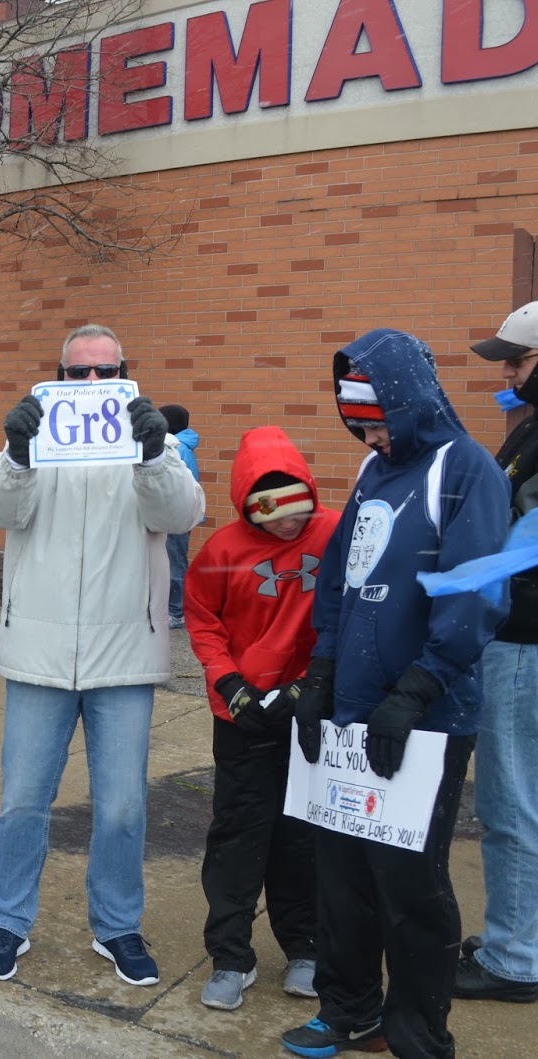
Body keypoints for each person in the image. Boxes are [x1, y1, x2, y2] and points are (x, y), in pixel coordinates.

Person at [279, 329, 510, 1059]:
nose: (371, 435)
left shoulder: (466, 468)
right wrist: (320, 672)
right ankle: (347, 1008)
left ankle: (417, 1032)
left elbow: (477, 591)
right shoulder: (370, 472)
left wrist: (419, 686)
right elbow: (342, 578)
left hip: (425, 716)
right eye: (359, 424)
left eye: (377, 420)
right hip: (352, 715)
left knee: (408, 882)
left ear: (407, 397)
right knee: (342, 875)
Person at [0, 324, 205, 987]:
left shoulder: (147, 443)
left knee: (124, 805)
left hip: (124, 654)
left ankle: (118, 924)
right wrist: (17, 452)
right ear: (61, 375)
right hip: (39, 654)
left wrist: (154, 453)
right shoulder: (36, 439)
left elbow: (184, 513)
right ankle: (8, 921)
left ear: (126, 372)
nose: (93, 383)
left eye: (107, 370)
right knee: (21, 800)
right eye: (80, 372)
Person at [185, 426, 339, 1011]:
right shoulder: (222, 550)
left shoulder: (334, 534)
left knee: (303, 836)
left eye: (297, 505)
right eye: (272, 512)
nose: (287, 523)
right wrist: (228, 682)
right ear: (248, 504)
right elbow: (202, 618)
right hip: (243, 712)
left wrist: (310, 687)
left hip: (312, 707)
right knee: (238, 834)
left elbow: (350, 612)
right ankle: (230, 956)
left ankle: (306, 948)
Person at [454, 304, 538, 1004]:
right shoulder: (529, 433)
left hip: (522, 643)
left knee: (511, 804)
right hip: (517, 640)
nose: (506, 372)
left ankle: (514, 959)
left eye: (519, 359)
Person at [162, 403, 202, 630]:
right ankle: (174, 609)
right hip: (178, 513)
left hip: (176, 514)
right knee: (174, 562)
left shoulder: (176, 448)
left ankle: (176, 612)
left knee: (175, 564)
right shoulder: (181, 446)